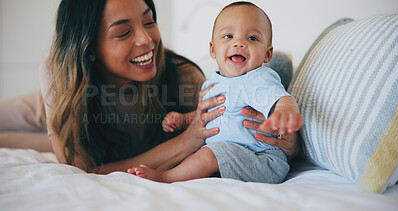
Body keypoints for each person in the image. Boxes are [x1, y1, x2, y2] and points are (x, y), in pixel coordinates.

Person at [0, 0, 299, 174]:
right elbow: (81, 169)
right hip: (74, 95)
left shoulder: (183, 79)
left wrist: (289, 145)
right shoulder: (59, 72)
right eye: (123, 33)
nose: (146, 41)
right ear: (88, 48)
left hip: (103, 132)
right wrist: (185, 142)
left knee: (9, 140)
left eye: (149, 22)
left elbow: (235, 131)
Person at [128, 1, 303, 183]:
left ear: (267, 54)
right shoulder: (215, 82)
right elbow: (212, 115)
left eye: (252, 38)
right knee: (204, 154)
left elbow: (282, 99)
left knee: (208, 155)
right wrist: (184, 119)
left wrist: (285, 113)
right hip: (232, 154)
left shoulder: (258, 78)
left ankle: (165, 177)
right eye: (228, 36)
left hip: (262, 158)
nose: (238, 43)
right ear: (213, 49)